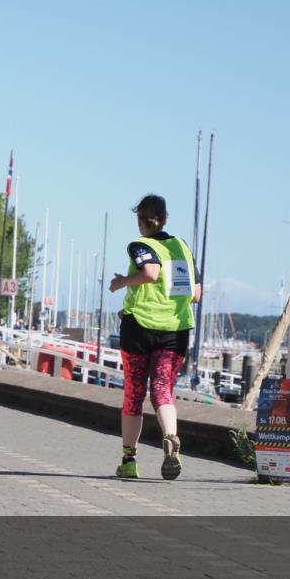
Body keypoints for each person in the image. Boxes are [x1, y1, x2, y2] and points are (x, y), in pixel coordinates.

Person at [108, 194, 201, 480]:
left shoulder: (140, 245)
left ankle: (129, 460)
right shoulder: (182, 247)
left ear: (140, 220)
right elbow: (196, 294)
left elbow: (150, 272)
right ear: (165, 219)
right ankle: (171, 437)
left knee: (134, 395)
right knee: (162, 389)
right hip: (175, 331)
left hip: (140, 329)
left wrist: (121, 282)